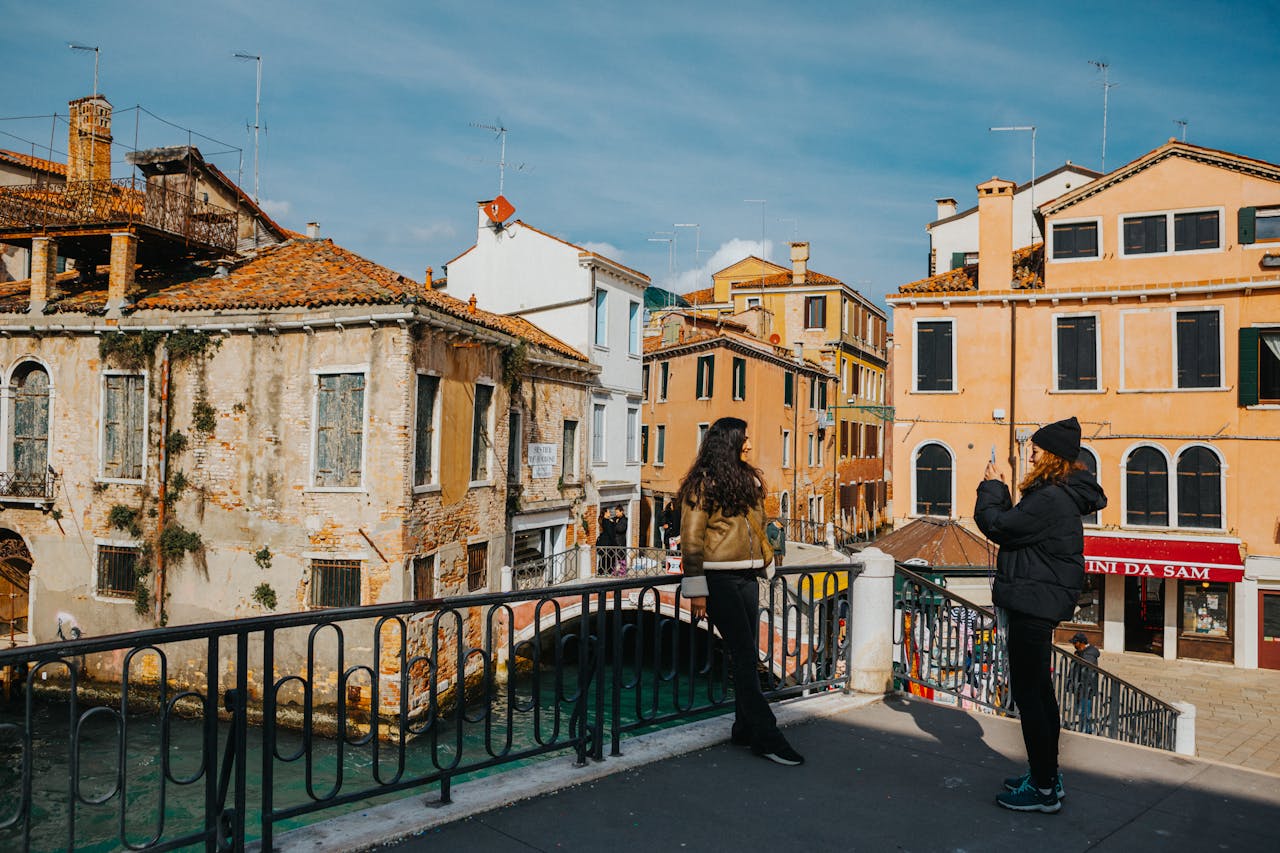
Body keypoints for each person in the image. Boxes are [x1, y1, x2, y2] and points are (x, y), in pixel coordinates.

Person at [975, 416, 1107, 813]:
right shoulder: (1057, 495)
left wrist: (992, 487)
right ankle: (1045, 774)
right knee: (1041, 695)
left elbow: (997, 525)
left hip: (1033, 602)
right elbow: (1021, 531)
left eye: (1036, 447)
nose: (1029, 451)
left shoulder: (1050, 498)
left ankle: (1044, 788)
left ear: (1052, 456)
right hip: (1038, 600)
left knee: (1031, 697)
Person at [676, 416, 804, 766]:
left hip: (747, 578)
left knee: (746, 655)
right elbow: (691, 541)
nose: (749, 445)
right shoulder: (701, 486)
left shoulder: (745, 479)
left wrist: (766, 559)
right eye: (743, 440)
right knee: (747, 657)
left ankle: (743, 729)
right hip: (718, 582)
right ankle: (767, 736)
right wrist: (697, 591)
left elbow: (759, 527)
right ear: (729, 443)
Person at [1070, 632, 1100, 734]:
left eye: (1075, 643)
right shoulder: (1081, 652)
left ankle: (1086, 732)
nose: (1074, 645)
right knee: (1082, 711)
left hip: (1085, 690)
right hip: (1080, 688)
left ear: (1082, 643)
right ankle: (1084, 730)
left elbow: (1088, 674)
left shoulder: (1089, 655)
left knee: (1085, 712)